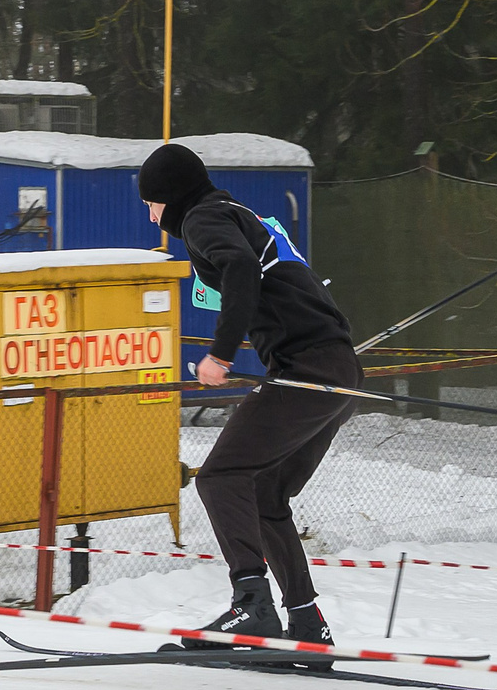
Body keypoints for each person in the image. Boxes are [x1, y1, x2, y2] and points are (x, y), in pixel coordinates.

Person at [137, 141, 357, 649]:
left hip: (307, 371)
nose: (152, 218)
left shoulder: (203, 218)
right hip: (337, 371)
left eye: (152, 204)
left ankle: (251, 605)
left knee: (220, 478)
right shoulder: (239, 214)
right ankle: (307, 622)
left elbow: (237, 268)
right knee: (265, 496)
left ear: (172, 196)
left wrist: (220, 354)